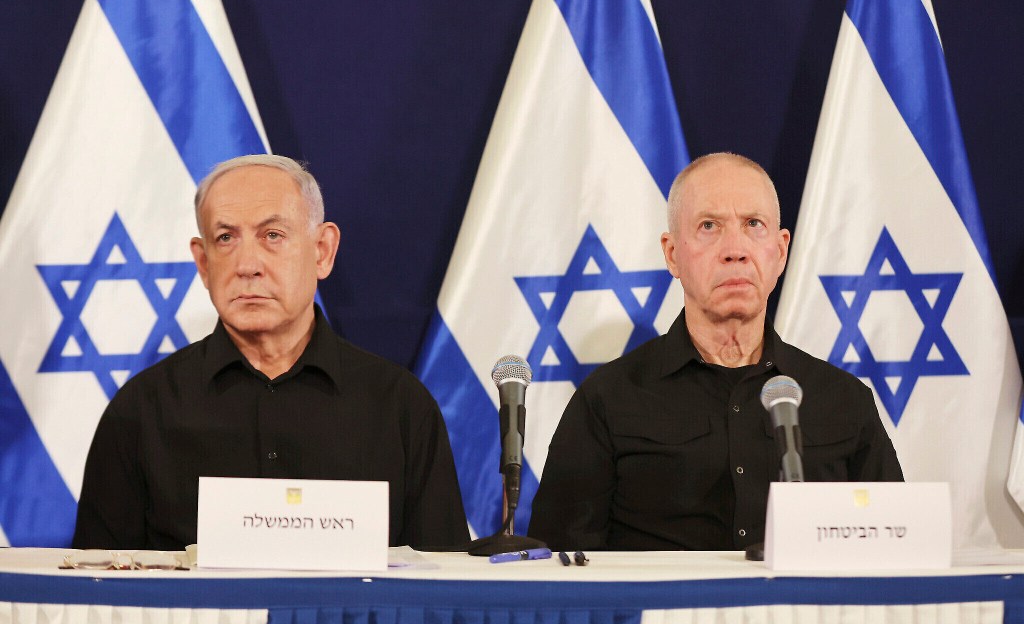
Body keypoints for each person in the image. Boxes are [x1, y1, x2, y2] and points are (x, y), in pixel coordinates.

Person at [73, 154, 469, 550]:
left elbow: (443, 578)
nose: (247, 265)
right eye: (225, 238)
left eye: (272, 235)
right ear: (203, 263)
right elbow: (97, 581)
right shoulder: (141, 411)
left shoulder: (400, 408)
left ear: (322, 251)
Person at [528, 152, 902, 551]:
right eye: (709, 226)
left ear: (780, 252)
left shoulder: (844, 400)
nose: (735, 249)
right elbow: (560, 562)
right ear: (672, 254)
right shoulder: (607, 399)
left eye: (753, 224)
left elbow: (894, 549)